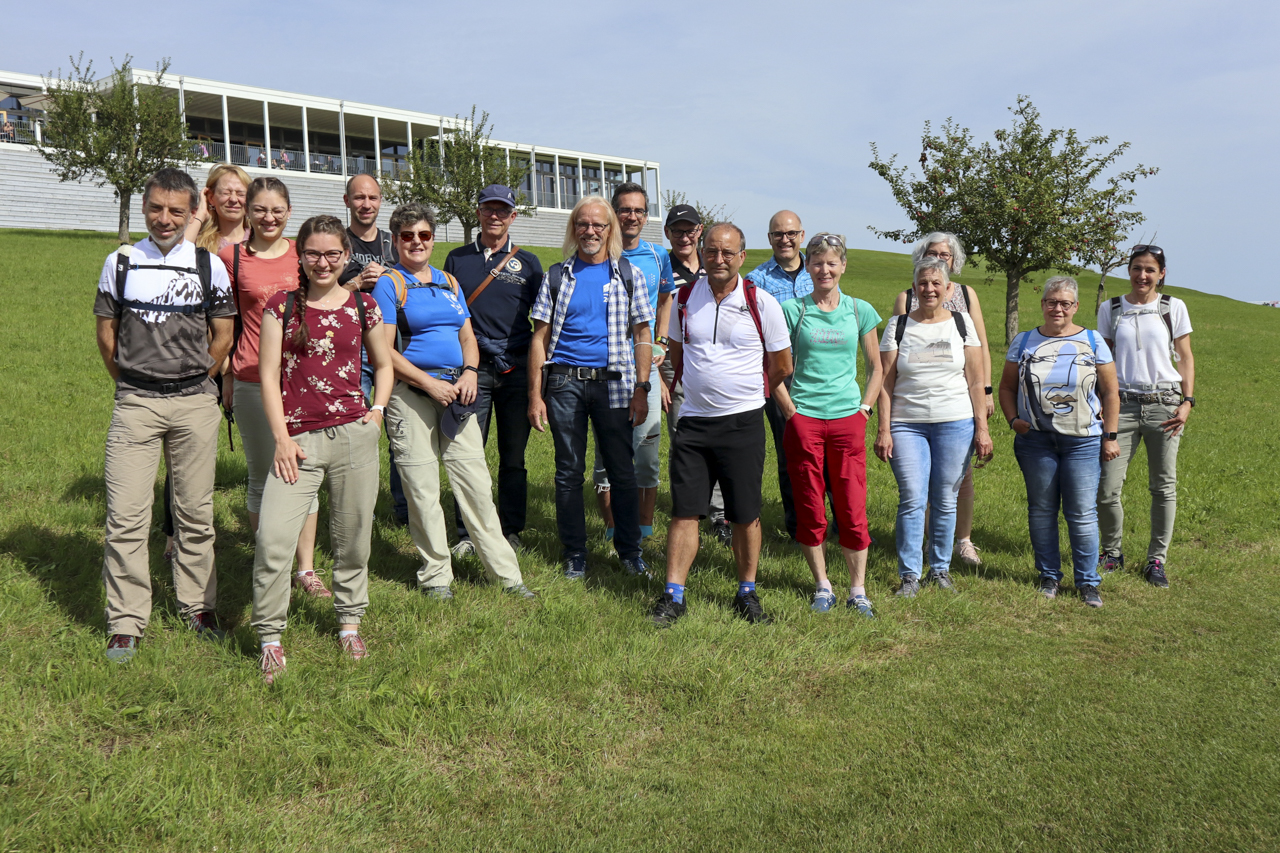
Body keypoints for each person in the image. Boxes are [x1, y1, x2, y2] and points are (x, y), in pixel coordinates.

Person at [93, 168, 235, 662]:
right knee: (126, 515)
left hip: (196, 402)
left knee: (195, 513)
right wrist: (133, 382)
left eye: (177, 210)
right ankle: (127, 621)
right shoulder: (122, 261)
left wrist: (199, 380)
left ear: (194, 211)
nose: (164, 218)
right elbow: (106, 334)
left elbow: (223, 335)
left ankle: (197, 606)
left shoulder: (207, 264)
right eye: (156, 208)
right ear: (146, 207)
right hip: (136, 402)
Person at [251, 215, 393, 683]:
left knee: (353, 539)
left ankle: (349, 623)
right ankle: (270, 638)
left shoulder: (364, 306)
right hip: (298, 442)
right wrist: (281, 439)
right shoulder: (282, 307)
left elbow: (383, 363)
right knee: (274, 540)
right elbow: (268, 375)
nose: (323, 262)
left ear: (346, 255)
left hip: (355, 434)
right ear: (301, 256)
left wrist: (377, 414)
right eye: (313, 253)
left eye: (333, 253)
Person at [374, 203, 534, 600]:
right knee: (422, 486)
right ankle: (436, 576)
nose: (416, 242)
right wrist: (429, 384)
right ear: (395, 240)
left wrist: (468, 373)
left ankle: (506, 575)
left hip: (458, 393)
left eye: (424, 235)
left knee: (476, 481)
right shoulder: (390, 284)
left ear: (432, 239)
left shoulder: (448, 281)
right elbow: (382, 349)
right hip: (411, 395)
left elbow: (467, 336)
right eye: (407, 236)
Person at [650, 222, 793, 627]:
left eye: (727, 253)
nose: (718, 259)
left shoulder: (761, 302)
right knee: (684, 511)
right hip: (693, 422)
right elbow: (677, 354)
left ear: (741, 257)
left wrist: (745, 392)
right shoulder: (682, 299)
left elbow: (782, 365)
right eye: (711, 251)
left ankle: (746, 592)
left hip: (743, 422)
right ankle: (673, 594)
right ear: (703, 251)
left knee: (745, 513)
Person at [527, 196, 654, 580]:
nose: (590, 231)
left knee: (623, 472)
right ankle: (574, 553)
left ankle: (630, 552)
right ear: (574, 229)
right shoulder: (557, 276)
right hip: (565, 383)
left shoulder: (629, 275)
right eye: (583, 224)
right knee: (568, 472)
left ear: (610, 229)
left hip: (616, 384)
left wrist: (643, 388)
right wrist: (535, 394)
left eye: (599, 225)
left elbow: (643, 334)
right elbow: (539, 338)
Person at [219, 176, 328, 598]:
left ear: (288, 211)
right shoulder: (233, 257)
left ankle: (305, 569)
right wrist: (226, 375)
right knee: (264, 473)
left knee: (306, 473)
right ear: (247, 211)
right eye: (260, 209)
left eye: (277, 210)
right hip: (249, 377)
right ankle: (271, 561)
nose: (269, 217)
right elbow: (223, 321)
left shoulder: (303, 256)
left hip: (300, 380)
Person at [771, 234, 885, 616]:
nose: (824, 270)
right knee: (810, 506)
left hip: (846, 421)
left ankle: (858, 589)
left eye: (832, 263)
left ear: (843, 267)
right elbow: (771, 367)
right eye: (817, 262)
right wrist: (790, 411)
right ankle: (823, 585)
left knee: (852, 507)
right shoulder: (793, 310)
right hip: (804, 420)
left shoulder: (859, 310)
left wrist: (865, 409)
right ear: (809, 267)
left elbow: (876, 366)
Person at [875, 258, 993, 597]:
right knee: (912, 498)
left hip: (955, 422)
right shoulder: (898, 325)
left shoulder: (961, 323)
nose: (928, 289)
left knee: (945, 499)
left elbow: (974, 380)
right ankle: (909, 575)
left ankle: (940, 570)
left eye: (935, 283)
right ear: (914, 288)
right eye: (922, 283)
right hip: (907, 424)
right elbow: (885, 383)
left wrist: (981, 429)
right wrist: (884, 430)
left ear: (945, 288)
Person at [1001, 276, 1120, 607]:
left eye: (1065, 303)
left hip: (1083, 442)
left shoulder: (1094, 341)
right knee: (1041, 510)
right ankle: (1049, 576)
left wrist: (1110, 436)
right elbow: (1007, 387)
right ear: (1042, 305)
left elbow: (1111, 391)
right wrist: (1013, 421)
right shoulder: (1024, 341)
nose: (1057, 308)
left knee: (1081, 513)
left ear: (1075, 307)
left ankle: (1087, 582)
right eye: (1051, 302)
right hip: (1036, 442)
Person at [442, 184, 544, 555]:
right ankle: (466, 532)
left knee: (513, 458)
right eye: (489, 209)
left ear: (513, 216)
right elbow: (450, 315)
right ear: (479, 213)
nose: (495, 216)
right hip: (473, 369)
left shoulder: (529, 263)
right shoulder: (456, 259)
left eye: (503, 210)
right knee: (469, 454)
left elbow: (543, 322)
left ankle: (510, 529)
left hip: (515, 368)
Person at [1096, 245, 1195, 588]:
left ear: (1161, 273)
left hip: (1164, 405)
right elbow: (1103, 360)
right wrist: (1101, 403)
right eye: (1137, 268)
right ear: (1129, 271)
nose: (1143, 275)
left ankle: (1156, 560)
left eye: (1150, 270)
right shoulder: (1111, 308)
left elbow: (1185, 357)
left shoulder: (1172, 307)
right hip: (1121, 406)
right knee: (1107, 488)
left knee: (1163, 486)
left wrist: (1188, 401)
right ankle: (1111, 553)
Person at [592, 182, 675, 546]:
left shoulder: (658, 256)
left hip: (645, 365)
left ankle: (642, 528)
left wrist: (660, 341)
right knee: (606, 450)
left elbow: (665, 298)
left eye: (639, 210)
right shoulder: (597, 253)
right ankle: (612, 527)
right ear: (613, 212)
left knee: (646, 449)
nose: (632, 216)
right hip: (605, 367)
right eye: (625, 209)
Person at [745, 210, 825, 542]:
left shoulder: (819, 271)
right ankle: (799, 525)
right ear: (769, 239)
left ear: (802, 235)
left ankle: (837, 519)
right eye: (778, 234)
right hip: (779, 375)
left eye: (791, 233)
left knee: (827, 448)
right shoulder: (756, 280)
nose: (785, 240)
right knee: (790, 449)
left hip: (819, 373)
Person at [659, 204, 731, 547]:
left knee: (719, 439)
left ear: (699, 231)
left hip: (717, 365)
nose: (684, 237)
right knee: (685, 440)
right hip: (677, 364)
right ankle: (690, 510)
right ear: (667, 234)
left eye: (689, 231)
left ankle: (718, 513)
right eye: (677, 231)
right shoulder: (661, 269)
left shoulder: (715, 264)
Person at [338, 173, 407, 525]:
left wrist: (389, 278)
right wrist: (354, 283)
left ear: (381, 201)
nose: (366, 204)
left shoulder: (392, 243)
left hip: (388, 347)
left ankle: (403, 512)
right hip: (348, 350)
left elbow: (413, 284)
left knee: (398, 430)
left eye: (373, 198)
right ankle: (351, 511)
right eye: (359, 197)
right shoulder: (337, 240)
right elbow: (316, 291)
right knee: (352, 431)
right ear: (347, 200)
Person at [186, 164, 250, 253]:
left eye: (241, 194)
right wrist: (201, 214)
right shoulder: (198, 242)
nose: (233, 199)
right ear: (211, 198)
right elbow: (177, 254)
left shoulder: (259, 240)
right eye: (226, 193)